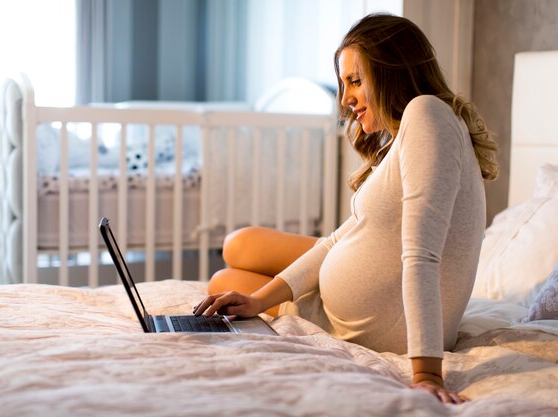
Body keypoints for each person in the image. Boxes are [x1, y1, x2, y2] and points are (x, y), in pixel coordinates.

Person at [193, 13, 499, 404]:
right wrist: (258, 302)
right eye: (343, 84)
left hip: (370, 324)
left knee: (224, 279)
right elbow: (342, 237)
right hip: (359, 294)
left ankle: (289, 301)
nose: (344, 99)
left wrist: (426, 373)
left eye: (355, 81)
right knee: (237, 250)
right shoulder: (412, 130)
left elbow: (423, 254)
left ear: (395, 71)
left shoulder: (428, 114)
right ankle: (268, 297)